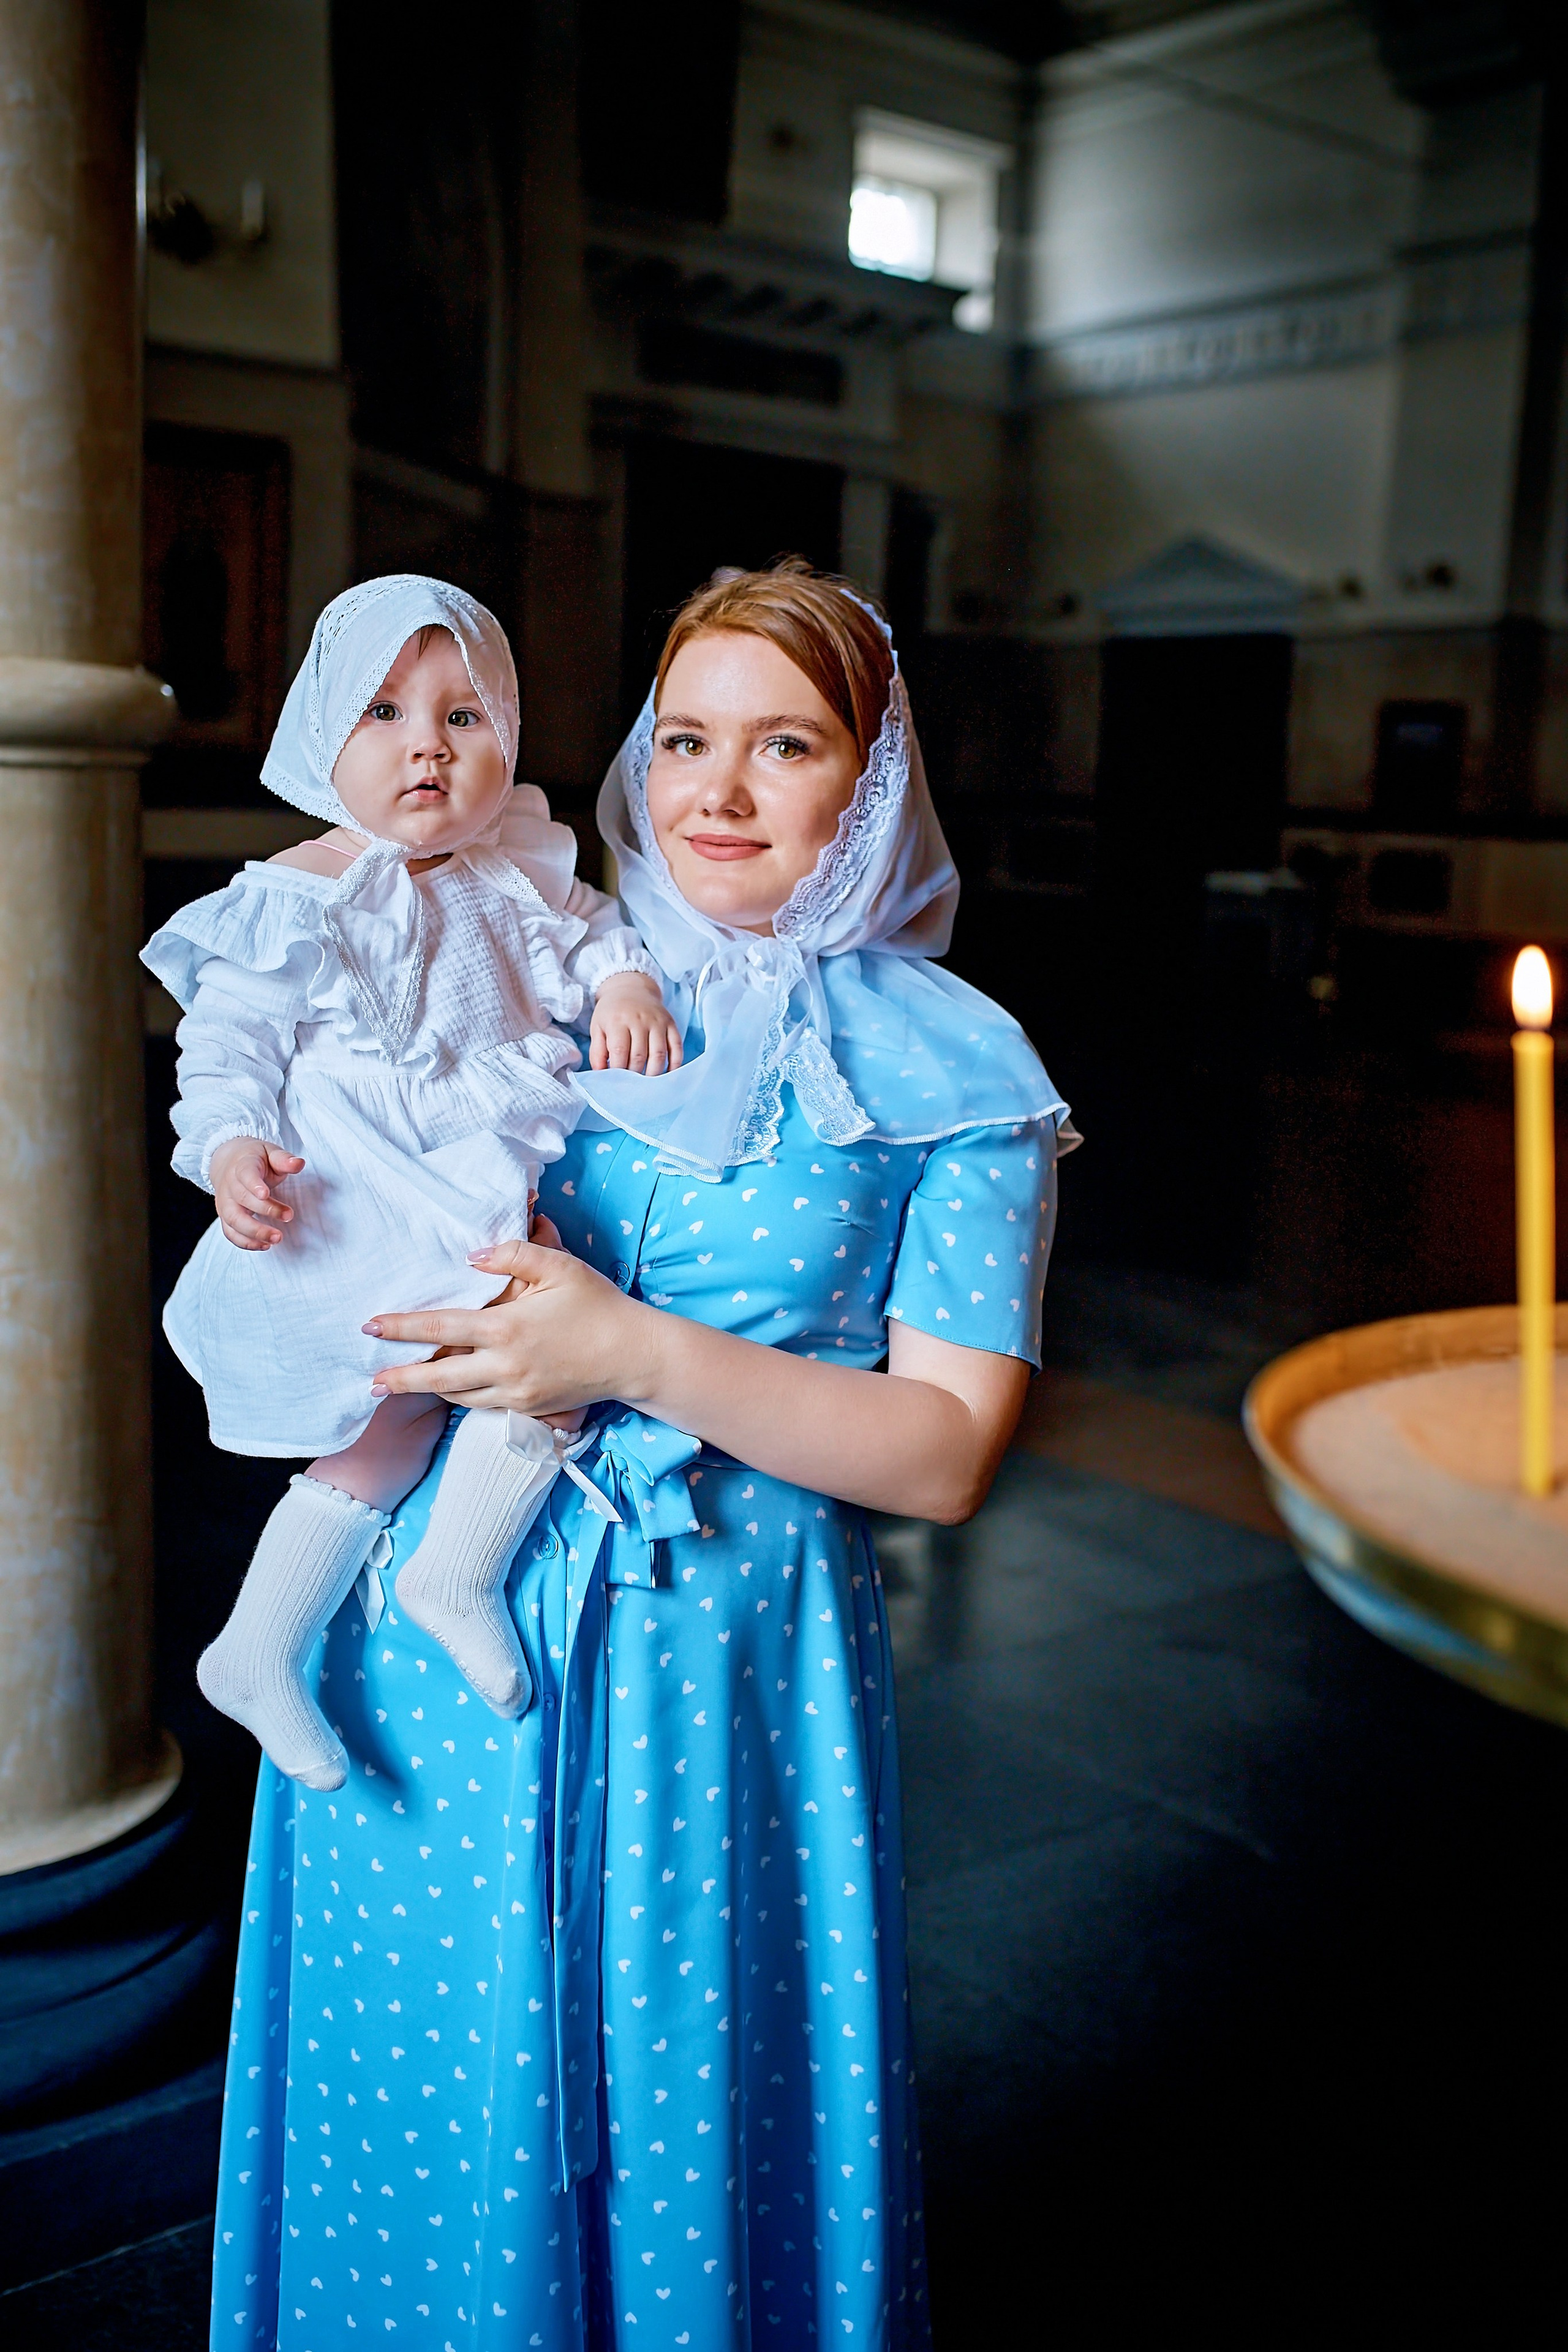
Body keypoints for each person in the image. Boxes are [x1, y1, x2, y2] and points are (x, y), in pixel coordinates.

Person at [208, 561, 1075, 2350]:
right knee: (425, 2120)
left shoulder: (961, 1074)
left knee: (693, 2119)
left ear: (875, 775)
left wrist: (634, 1351)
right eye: (686, 740)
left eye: (787, 745)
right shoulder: (539, 956)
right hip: (432, 1653)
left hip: (723, 1668)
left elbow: (943, 1457)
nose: (718, 795)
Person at [144, 576, 679, 1792]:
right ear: (322, 731)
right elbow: (227, 1049)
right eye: (384, 713)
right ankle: (263, 1643)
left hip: (470, 1183)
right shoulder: (289, 894)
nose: (427, 748)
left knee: (540, 1365)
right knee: (377, 1434)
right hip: (348, 1199)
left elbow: (601, 938)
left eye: (464, 717)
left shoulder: (519, 872)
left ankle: (452, 1573)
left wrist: (626, 990)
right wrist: (231, 1150)